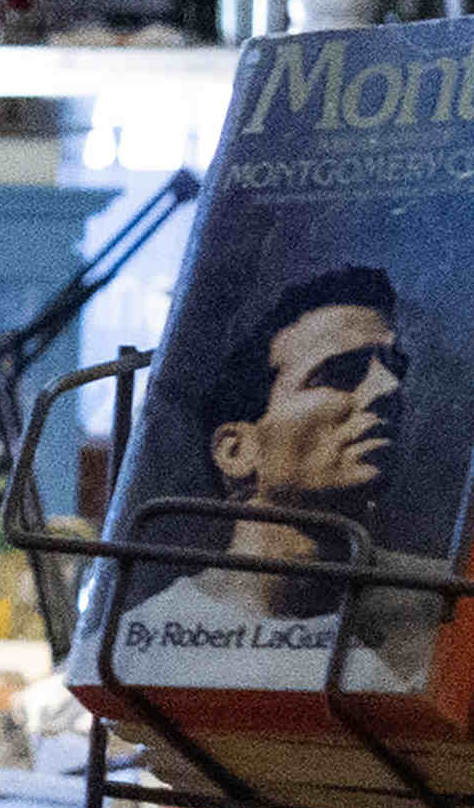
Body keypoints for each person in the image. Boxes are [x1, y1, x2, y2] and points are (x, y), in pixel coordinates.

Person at [128, 268, 416, 666]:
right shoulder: (141, 652)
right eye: (341, 373)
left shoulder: (448, 611)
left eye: (394, 366)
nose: (388, 388)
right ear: (237, 451)